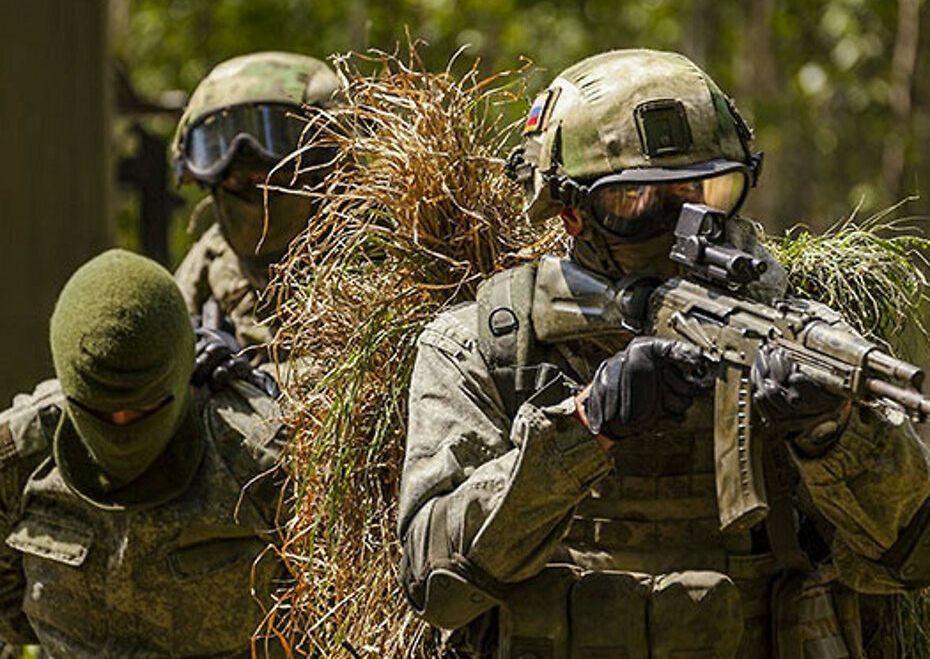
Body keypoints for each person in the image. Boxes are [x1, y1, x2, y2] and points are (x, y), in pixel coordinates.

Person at [398, 49, 930, 657]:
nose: (685, 219)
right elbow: (436, 582)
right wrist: (585, 426)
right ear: (572, 210)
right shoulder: (490, 346)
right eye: (638, 202)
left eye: (708, 189)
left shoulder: (808, 336)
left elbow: (909, 560)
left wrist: (832, 438)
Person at [0, 249, 287, 657]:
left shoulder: (259, 461)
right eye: (97, 410)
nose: (121, 426)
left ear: (182, 377)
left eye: (142, 409)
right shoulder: (22, 458)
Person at [172, 51, 342, 363]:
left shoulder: (381, 258)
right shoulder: (211, 262)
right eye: (237, 181)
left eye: (272, 178)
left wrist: (252, 386)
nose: (254, 194)